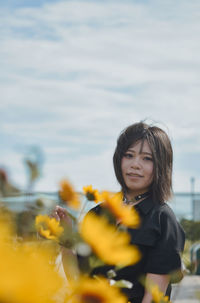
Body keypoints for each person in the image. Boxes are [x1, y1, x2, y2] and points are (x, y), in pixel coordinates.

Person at [53, 121, 185, 303]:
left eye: (147, 158)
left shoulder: (162, 219)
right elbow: (79, 281)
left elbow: (154, 297)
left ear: (161, 166)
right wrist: (66, 237)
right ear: (119, 159)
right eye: (129, 155)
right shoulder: (97, 214)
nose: (135, 165)